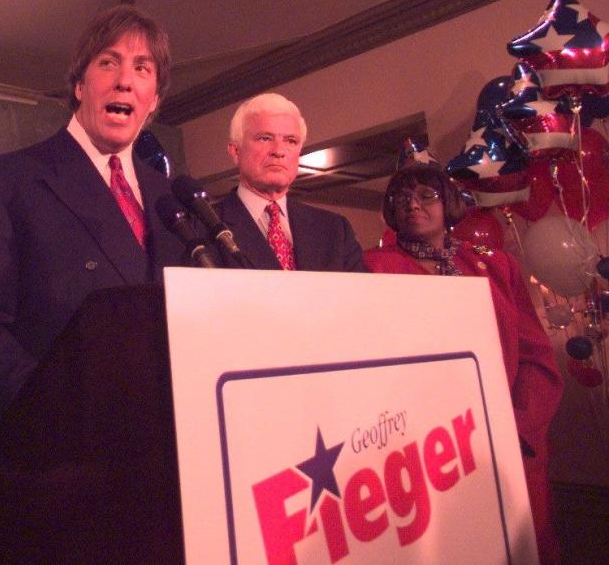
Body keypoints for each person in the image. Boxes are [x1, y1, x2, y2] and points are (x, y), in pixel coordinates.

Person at [0, 4, 184, 422]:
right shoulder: (3, 182)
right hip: (61, 455)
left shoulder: (172, 199)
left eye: (142, 69)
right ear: (79, 85)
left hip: (163, 443)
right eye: (109, 63)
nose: (125, 81)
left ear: (154, 100)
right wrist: (56, 414)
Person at [363, 164, 563, 564]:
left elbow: (534, 353)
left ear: (449, 203)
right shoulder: (371, 266)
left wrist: (519, 427)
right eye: (402, 198)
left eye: (426, 195)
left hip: (506, 437)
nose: (414, 204)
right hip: (422, 444)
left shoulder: (496, 265)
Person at [215, 92, 365, 271]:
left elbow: (359, 297)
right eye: (265, 138)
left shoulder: (335, 231)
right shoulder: (203, 227)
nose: (278, 151)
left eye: (290, 141)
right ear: (235, 151)